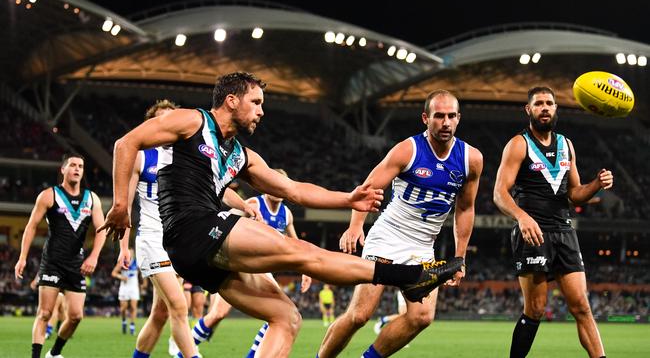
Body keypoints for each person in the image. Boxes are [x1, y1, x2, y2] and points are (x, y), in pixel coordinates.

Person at [100, 72, 463, 358]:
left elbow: (292, 189)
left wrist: (348, 199)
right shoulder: (192, 121)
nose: (261, 111)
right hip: (193, 228)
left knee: (287, 318)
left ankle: (411, 276)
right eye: (255, 102)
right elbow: (125, 143)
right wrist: (119, 205)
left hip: (198, 254)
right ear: (231, 100)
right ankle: (411, 275)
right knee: (302, 252)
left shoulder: (241, 154)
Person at [317, 89, 483, 358]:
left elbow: (465, 208)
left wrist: (460, 257)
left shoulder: (471, 159)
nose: (445, 122)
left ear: (459, 118)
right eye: (439, 116)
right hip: (388, 237)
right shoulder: (409, 149)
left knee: (421, 317)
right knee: (359, 315)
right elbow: (369, 187)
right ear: (425, 118)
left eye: (451, 116)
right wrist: (356, 225)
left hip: (422, 248)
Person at [114, 99, 258, 358]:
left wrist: (244, 206)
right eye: (163, 118)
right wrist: (124, 247)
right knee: (179, 307)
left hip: (180, 236)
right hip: (152, 237)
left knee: (159, 314)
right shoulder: (141, 156)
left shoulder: (188, 155)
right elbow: (123, 208)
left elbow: (219, 190)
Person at [493, 86, 612, 358]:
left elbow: (575, 194)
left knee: (582, 306)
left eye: (549, 103)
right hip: (533, 234)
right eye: (539, 104)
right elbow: (499, 193)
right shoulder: (518, 144)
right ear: (529, 110)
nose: (545, 108)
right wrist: (522, 217)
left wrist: (597, 184)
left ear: (556, 109)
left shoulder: (566, 144)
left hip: (564, 231)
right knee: (534, 309)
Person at [187, 172, 313, 358]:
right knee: (218, 314)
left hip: (261, 269)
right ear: (267, 186)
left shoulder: (286, 214)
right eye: (273, 185)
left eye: (281, 185)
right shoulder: (254, 204)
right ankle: (184, 349)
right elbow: (225, 219)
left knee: (281, 314)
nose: (277, 190)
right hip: (237, 264)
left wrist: (307, 271)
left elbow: (297, 244)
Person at [14, 153, 107, 358]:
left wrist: (94, 257)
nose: (77, 169)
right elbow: (30, 227)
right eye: (72, 165)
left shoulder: (92, 199)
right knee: (45, 313)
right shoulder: (49, 195)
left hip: (77, 265)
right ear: (63, 169)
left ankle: (54, 353)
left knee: (75, 316)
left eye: (81, 166)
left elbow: (102, 229)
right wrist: (22, 257)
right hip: (52, 262)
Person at [111, 247, 140, 335]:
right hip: (124, 287)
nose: (130, 254)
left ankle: (132, 326)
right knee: (123, 308)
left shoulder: (137, 263)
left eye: (131, 253)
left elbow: (141, 273)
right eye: (129, 252)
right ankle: (124, 321)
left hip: (133, 287)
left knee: (133, 307)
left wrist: (144, 283)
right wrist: (121, 277)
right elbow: (113, 273)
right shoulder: (122, 263)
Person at [30, 276, 66, 340]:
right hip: (55, 283)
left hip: (60, 282)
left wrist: (36, 280)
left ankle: (62, 328)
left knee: (62, 309)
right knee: (56, 306)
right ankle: (49, 330)